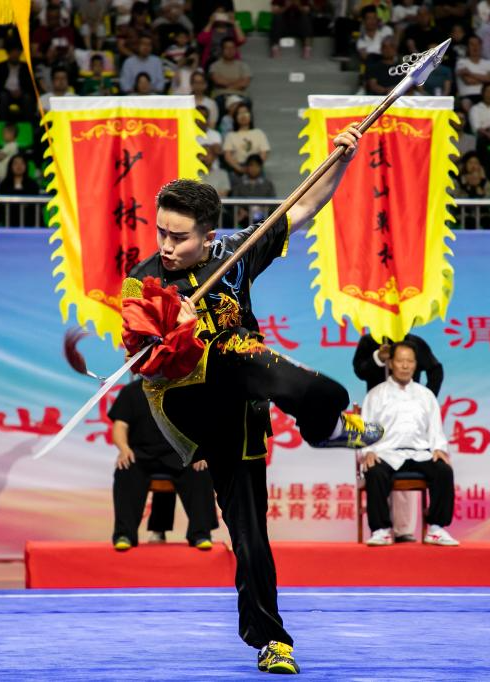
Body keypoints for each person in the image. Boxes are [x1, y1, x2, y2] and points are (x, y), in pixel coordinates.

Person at [122, 126, 381, 674]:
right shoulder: (143, 283)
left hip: (244, 398)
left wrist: (341, 158)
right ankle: (324, 426)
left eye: (179, 237)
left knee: (256, 526)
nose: (166, 246)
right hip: (191, 402)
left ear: (208, 236)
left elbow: (304, 206)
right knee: (236, 351)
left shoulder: (236, 252)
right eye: (161, 232)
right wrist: (177, 330)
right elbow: (148, 362)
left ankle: (272, 641)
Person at [359, 341, 458, 547]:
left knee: (443, 470)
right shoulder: (376, 394)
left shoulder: (426, 395)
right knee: (374, 471)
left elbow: (435, 428)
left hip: (419, 453)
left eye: (410, 361)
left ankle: (436, 529)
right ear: (391, 363)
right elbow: (365, 428)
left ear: (416, 364)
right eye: (400, 361)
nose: (405, 366)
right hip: (386, 453)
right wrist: (368, 451)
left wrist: (439, 449)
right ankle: (381, 530)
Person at [109, 378, 218, 550]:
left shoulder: (184, 387)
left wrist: (201, 451)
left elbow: (201, 424)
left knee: (201, 470)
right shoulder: (131, 391)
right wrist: (123, 448)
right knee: (125, 468)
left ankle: (201, 534)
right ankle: (125, 534)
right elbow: (120, 425)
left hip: (180, 455)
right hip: (142, 456)